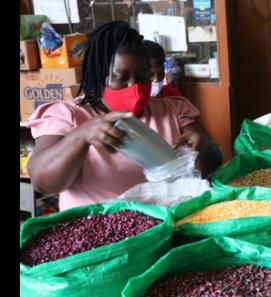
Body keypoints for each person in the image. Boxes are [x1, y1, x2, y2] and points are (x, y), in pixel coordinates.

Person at [27, 21, 222, 211]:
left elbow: (212, 160)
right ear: (99, 75)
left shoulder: (172, 110)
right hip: (98, 233)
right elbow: (43, 183)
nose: (134, 88)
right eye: (121, 78)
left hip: (167, 227)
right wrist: (81, 136)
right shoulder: (69, 116)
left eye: (144, 78)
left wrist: (204, 146)